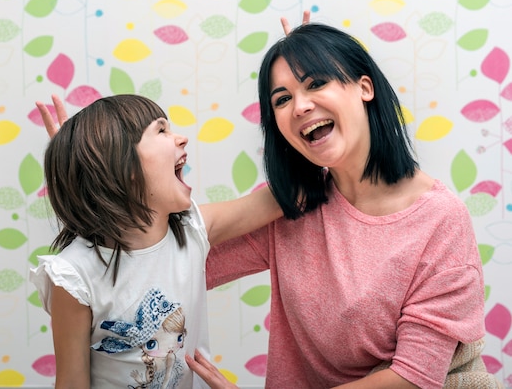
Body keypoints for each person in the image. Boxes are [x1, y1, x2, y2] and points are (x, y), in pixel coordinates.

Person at [185, 22, 499, 388]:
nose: (300, 105)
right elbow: (178, 264)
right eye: (282, 99)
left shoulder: (440, 220)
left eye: (316, 83)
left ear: (364, 87)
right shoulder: (292, 209)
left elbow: (413, 378)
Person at [29, 94, 282, 388]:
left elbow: (283, 198)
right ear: (123, 166)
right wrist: (78, 161)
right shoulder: (74, 276)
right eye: (161, 130)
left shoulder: (192, 229)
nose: (182, 138)